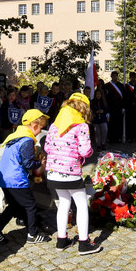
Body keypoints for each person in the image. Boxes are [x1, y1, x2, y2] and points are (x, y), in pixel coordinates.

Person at [43, 94, 102, 255]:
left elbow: (47, 148)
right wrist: (88, 152)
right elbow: (85, 150)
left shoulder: (55, 125)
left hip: (54, 172)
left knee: (63, 203)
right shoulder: (81, 126)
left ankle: (61, 240)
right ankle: (84, 242)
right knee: (82, 204)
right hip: (71, 172)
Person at [0, 109, 50, 244]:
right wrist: (39, 163)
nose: (40, 131)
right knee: (30, 206)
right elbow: (27, 163)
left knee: (14, 207)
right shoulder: (27, 140)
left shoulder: (16, 136)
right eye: (40, 128)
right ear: (34, 126)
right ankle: (32, 235)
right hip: (16, 180)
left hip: (5, 178)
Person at [105, 72, 126, 143]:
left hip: (119, 107)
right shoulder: (107, 86)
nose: (115, 77)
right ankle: (111, 138)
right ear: (111, 76)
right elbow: (106, 98)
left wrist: (123, 107)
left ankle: (118, 138)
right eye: (113, 76)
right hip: (111, 107)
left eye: (116, 76)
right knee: (111, 124)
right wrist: (107, 110)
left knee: (119, 123)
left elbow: (124, 97)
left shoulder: (121, 86)